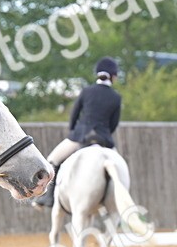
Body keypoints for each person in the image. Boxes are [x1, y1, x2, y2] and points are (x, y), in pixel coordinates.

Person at [34, 56, 123, 208]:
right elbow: (113, 124)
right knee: (120, 171)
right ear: (113, 76)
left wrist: (74, 133)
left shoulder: (86, 91)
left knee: (52, 161)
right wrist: (105, 135)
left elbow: (74, 115)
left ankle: (48, 198)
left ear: (97, 74)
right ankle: (120, 204)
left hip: (80, 136)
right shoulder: (116, 97)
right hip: (104, 139)